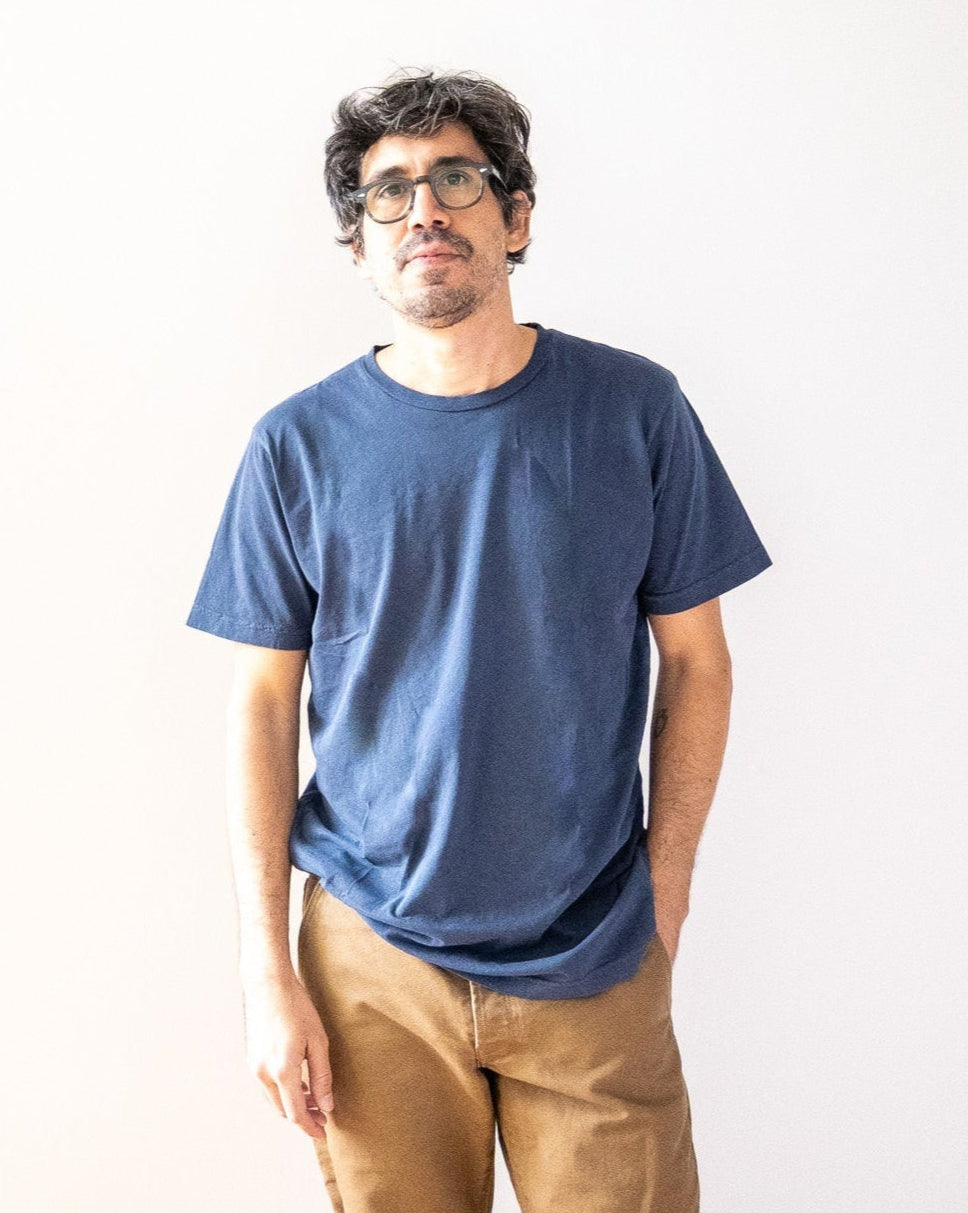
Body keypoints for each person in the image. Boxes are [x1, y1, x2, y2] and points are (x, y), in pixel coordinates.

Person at [186, 68, 772, 1213]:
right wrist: (266, 968)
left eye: (455, 180)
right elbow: (259, 706)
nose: (424, 211)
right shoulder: (296, 446)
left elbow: (697, 661)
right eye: (388, 192)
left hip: (591, 947)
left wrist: (665, 890)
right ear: (357, 241)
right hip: (371, 961)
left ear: (515, 216)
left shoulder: (634, 410)